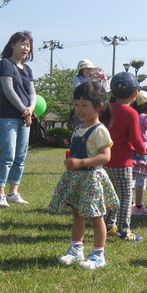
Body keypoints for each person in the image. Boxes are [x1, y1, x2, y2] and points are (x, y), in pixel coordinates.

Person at [49, 81, 120, 269]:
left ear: (99, 107)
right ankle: (76, 248)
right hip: (77, 179)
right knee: (77, 214)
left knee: (96, 217)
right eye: (77, 104)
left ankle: (98, 253)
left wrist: (81, 162)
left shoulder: (100, 130)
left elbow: (105, 156)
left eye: (84, 105)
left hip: (91, 179)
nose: (79, 109)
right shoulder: (78, 129)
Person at [0, 31, 36, 207]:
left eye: (28, 45)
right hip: (8, 117)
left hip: (25, 119)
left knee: (20, 156)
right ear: (12, 45)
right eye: (22, 44)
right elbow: (8, 90)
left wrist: (31, 109)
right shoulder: (5, 64)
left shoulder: (27, 69)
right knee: (7, 156)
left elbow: (32, 92)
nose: (25, 48)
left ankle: (13, 192)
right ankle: (0, 194)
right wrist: (23, 110)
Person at [105, 72, 147, 241]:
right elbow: (135, 138)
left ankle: (108, 225)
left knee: (111, 195)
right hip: (123, 162)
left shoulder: (105, 109)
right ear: (135, 93)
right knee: (124, 197)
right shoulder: (131, 113)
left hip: (105, 160)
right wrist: (143, 150)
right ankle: (123, 231)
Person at [69, 59, 110, 130]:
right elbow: (80, 88)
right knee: (80, 129)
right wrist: (91, 80)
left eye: (90, 69)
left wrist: (104, 80)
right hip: (81, 107)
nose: (89, 71)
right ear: (82, 70)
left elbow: (102, 91)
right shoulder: (76, 79)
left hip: (91, 108)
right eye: (87, 69)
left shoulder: (93, 80)